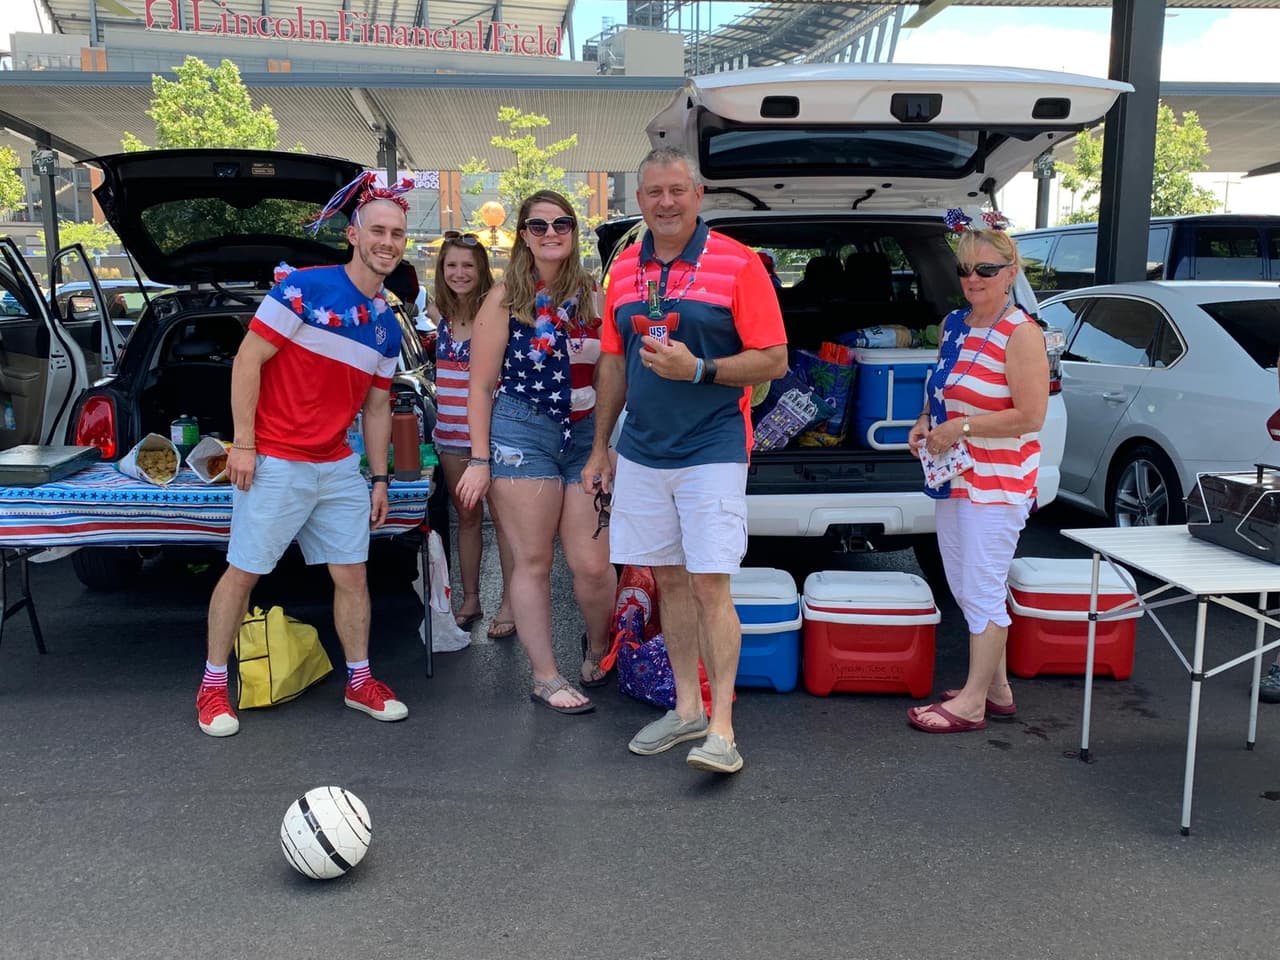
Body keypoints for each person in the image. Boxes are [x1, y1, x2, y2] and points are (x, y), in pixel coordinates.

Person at [581, 147, 788, 773]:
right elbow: (612, 361)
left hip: (712, 447)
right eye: (654, 192)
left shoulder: (738, 262)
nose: (666, 202)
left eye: (677, 190)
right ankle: (687, 708)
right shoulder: (623, 268)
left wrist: (700, 368)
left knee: (709, 584)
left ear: (698, 195)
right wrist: (601, 446)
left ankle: (722, 729)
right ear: (639, 200)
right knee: (667, 579)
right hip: (643, 451)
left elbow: (774, 358)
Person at [195, 173, 415, 738]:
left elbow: (376, 408)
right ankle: (213, 685)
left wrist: (380, 478)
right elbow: (248, 360)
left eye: (397, 234)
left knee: (352, 575)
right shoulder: (303, 288)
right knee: (244, 572)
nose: (387, 242)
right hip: (275, 459)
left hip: (337, 465)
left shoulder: (386, 325)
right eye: (378, 231)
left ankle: (360, 680)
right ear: (353, 235)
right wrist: (244, 443)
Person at [456, 190, 617, 714]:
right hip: (522, 436)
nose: (551, 233)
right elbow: (480, 386)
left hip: (587, 435)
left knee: (592, 564)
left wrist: (608, 443)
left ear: (574, 232)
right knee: (533, 560)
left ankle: (597, 646)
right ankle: (545, 677)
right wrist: (480, 460)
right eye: (539, 225)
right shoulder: (505, 298)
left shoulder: (594, 295)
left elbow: (615, 370)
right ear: (524, 234)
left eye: (561, 224)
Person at [906, 225, 1048, 734]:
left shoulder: (1021, 332)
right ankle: (997, 688)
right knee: (965, 585)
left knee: (983, 589)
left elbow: (1031, 416)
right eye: (965, 269)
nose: (973, 278)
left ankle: (971, 703)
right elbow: (941, 388)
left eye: (986, 269)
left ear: (1011, 273)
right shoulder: (954, 324)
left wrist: (961, 427)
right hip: (956, 477)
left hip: (998, 484)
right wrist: (926, 421)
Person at [427, 231, 516, 639]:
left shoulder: (496, 313)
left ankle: (510, 604)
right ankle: (471, 598)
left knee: (504, 522)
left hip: (490, 436)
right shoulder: (441, 316)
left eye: (468, 265)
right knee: (466, 518)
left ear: (481, 270)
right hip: (449, 435)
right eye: (452, 265)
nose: (459, 273)